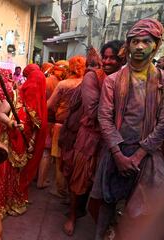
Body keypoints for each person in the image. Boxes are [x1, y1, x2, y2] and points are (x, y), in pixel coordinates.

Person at [92, 19, 164, 239]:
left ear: (156, 45)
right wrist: (119, 155)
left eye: (146, 41)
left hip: (147, 157)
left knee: (139, 213)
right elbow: (104, 117)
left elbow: (163, 123)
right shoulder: (113, 81)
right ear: (128, 44)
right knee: (107, 205)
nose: (140, 46)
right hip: (116, 154)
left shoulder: (161, 81)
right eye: (135, 41)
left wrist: (140, 154)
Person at [63, 41, 125, 236]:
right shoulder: (93, 77)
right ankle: (72, 215)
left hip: (112, 140)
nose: (107, 61)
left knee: (104, 181)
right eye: (104, 57)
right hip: (90, 137)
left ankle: (99, 219)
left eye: (112, 57)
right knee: (79, 177)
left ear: (121, 59)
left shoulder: (125, 79)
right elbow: (92, 111)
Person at [0, 64, 47, 217]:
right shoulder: (14, 95)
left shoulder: (38, 104)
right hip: (7, 143)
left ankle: (13, 201)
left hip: (22, 147)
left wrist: (32, 143)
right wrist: (11, 123)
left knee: (17, 176)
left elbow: (37, 128)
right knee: (3, 174)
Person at [47, 56, 86, 198]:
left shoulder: (63, 84)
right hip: (80, 127)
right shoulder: (86, 83)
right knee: (74, 159)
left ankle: (60, 189)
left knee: (59, 159)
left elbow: (49, 105)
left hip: (61, 125)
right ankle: (73, 190)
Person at [37, 60, 69, 189]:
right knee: (47, 152)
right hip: (52, 120)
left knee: (42, 151)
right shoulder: (58, 83)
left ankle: (38, 179)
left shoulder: (47, 80)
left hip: (43, 117)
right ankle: (41, 181)